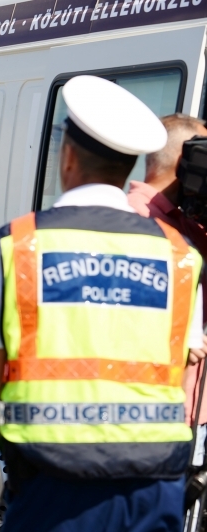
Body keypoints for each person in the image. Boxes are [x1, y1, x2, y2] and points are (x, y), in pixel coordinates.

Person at [0, 75, 206, 531]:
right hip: (154, 490)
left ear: (68, 156)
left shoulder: (16, 245)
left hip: (53, 484)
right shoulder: (181, 255)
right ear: (130, 167)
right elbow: (185, 363)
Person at [128, 114, 207, 464]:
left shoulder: (185, 224)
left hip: (188, 411)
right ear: (185, 160)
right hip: (152, 415)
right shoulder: (134, 221)